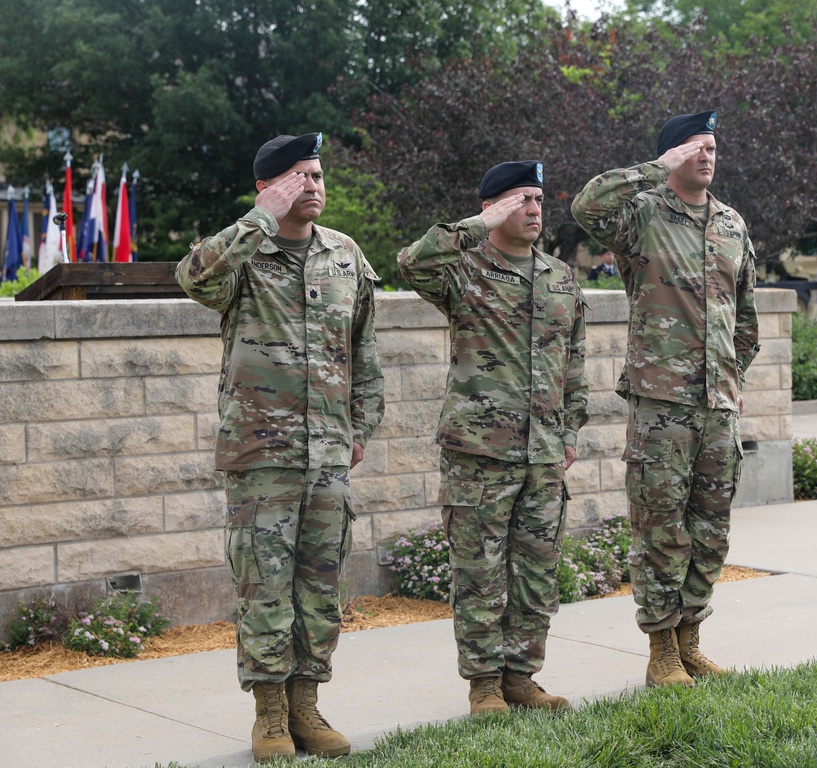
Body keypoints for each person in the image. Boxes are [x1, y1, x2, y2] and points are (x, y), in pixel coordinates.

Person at [175, 132, 385, 762]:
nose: (313, 186)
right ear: (267, 187)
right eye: (299, 176)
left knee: (320, 584)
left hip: (327, 454)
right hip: (261, 455)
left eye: (318, 176)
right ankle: (268, 716)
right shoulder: (241, 254)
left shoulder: (345, 256)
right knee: (264, 584)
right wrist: (262, 216)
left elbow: (366, 351)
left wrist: (361, 428)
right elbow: (193, 277)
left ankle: (307, 706)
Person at [571, 111, 759, 688]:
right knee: (660, 528)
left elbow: (745, 316)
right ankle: (660, 652)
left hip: (718, 404)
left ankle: (690, 641)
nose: (707, 156)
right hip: (661, 404)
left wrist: (732, 377)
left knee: (710, 527)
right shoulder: (642, 215)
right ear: (672, 156)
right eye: (694, 148)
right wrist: (657, 169)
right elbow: (586, 208)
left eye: (712, 148)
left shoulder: (731, 223)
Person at [398, 160, 589, 716]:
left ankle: (521, 677)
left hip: (544, 455)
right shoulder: (463, 269)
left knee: (536, 571)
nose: (533, 209)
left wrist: (570, 430)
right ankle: (483, 685)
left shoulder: (559, 277)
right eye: (519, 200)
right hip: (479, 455)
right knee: (479, 575)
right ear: (492, 208)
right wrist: (479, 224)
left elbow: (573, 360)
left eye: (537, 199)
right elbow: (413, 262)